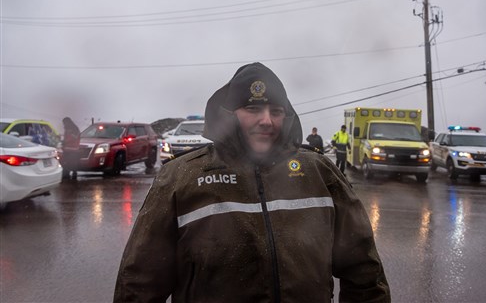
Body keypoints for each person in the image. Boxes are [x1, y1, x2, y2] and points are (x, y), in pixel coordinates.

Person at [114, 62, 390, 302]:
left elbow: (364, 272)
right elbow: (140, 282)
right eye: (253, 108)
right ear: (229, 114)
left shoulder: (319, 172)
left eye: (276, 111)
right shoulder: (181, 176)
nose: (266, 120)